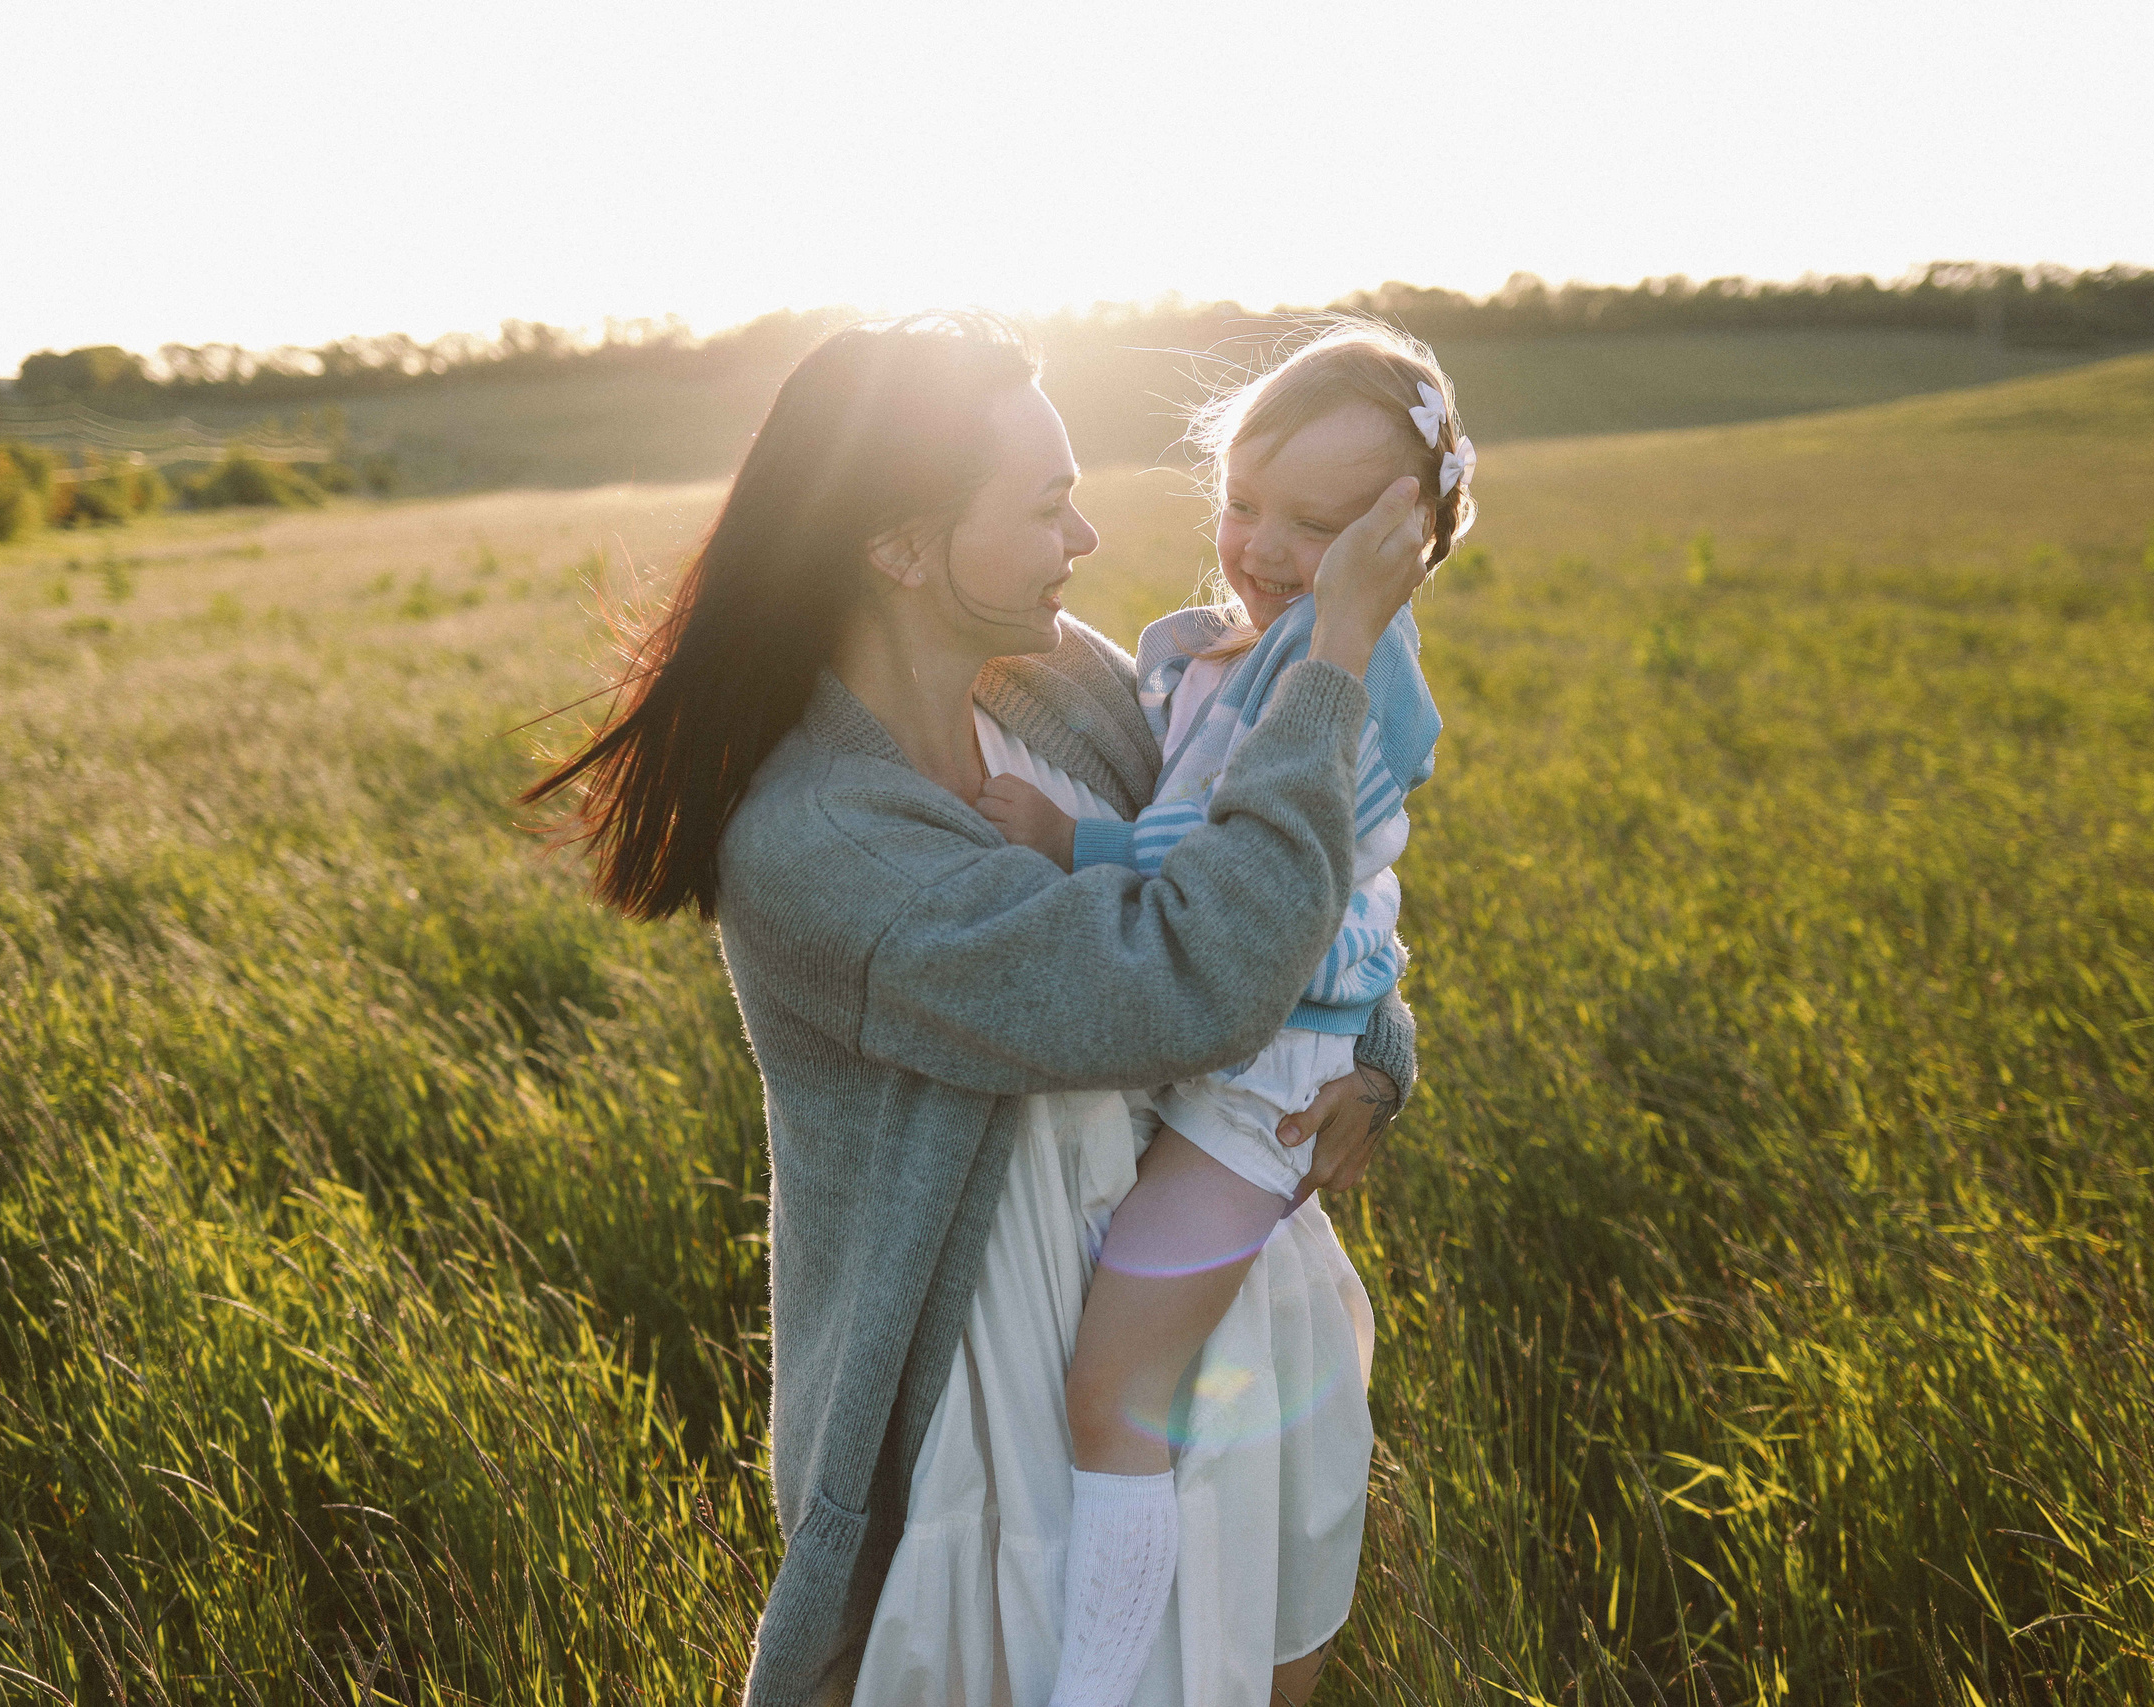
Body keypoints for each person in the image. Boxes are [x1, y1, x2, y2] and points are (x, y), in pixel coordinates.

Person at [523, 311, 1431, 1707]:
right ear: (899, 544)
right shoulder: (827, 847)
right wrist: (1335, 661)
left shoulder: (1055, 680)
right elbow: (1198, 976)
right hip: (1008, 1379)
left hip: (1209, 1279)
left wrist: (1377, 1050)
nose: (1084, 544)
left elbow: (1288, 870)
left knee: (1255, 1652)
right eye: (1048, 504)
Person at [977, 321, 1469, 1707]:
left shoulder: (1348, 670)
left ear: (1398, 539)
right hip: (1240, 1056)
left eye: (1315, 525)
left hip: (1259, 1077)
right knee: (1130, 1395)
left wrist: (1067, 848)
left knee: (1111, 1391)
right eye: (1243, 501)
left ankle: (1100, 1681)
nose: (1257, 544)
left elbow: (1239, 875)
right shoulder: (1220, 655)